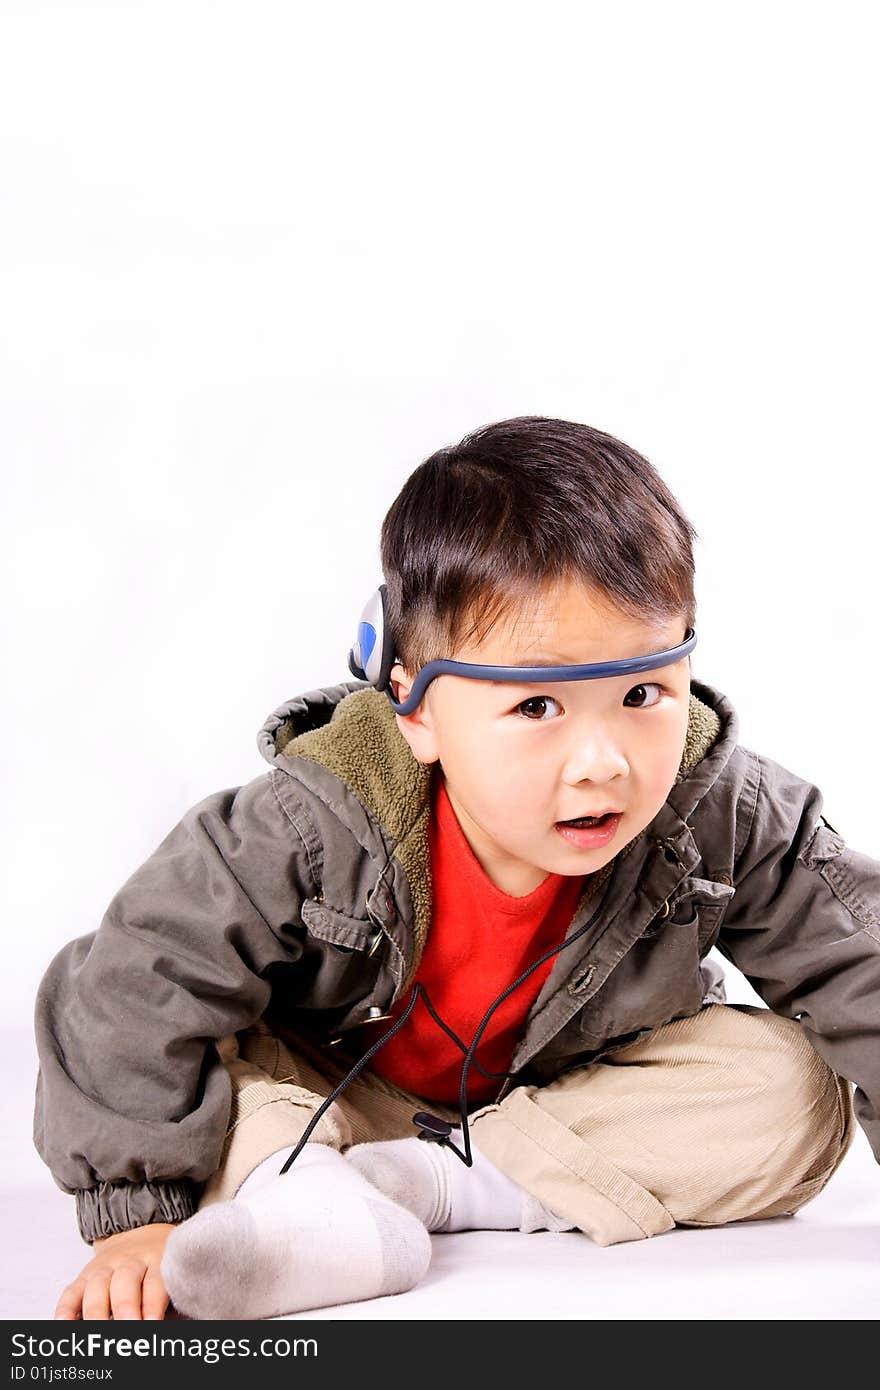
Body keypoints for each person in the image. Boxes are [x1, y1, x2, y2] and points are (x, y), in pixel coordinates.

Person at [35, 417, 875, 1322]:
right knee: (232, 1081)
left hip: (549, 1113)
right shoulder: (310, 820)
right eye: (539, 704)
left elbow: (859, 959)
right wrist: (136, 1212)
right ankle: (306, 1192)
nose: (603, 760)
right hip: (328, 1097)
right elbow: (136, 977)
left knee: (789, 1089)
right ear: (414, 706)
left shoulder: (724, 812)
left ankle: (423, 1189)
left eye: (642, 694)